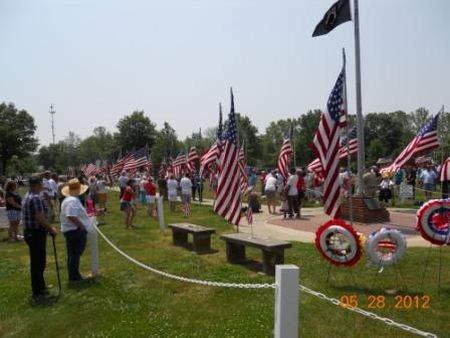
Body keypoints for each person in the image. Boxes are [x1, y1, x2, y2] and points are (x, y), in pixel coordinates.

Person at [23, 176, 58, 300]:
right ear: (37, 184)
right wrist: (51, 229)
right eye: (42, 183)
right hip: (36, 233)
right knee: (38, 263)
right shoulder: (36, 198)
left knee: (38, 261)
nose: (43, 185)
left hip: (30, 233)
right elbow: (40, 218)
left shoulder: (28, 195)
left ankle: (41, 287)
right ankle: (38, 292)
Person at [60, 178, 92, 282]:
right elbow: (71, 216)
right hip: (74, 231)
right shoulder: (72, 201)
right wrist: (81, 226)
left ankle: (74, 275)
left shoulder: (70, 200)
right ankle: (74, 277)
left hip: (72, 230)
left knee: (73, 254)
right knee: (75, 254)